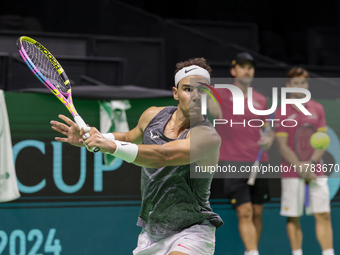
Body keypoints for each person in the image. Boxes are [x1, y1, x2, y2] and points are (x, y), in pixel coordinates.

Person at [50, 57, 224, 255]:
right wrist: (94, 139)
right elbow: (127, 136)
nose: (195, 96)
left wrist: (111, 146)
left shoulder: (207, 137)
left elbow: (163, 156)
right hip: (151, 233)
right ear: (175, 93)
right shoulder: (152, 115)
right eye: (187, 89)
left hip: (192, 230)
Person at [209, 52, 275, 255]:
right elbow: (213, 109)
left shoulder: (261, 99)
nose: (247, 70)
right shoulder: (222, 93)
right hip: (233, 160)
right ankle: (253, 252)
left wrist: (269, 138)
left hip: (259, 160)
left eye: (250, 67)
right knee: (244, 211)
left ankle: (251, 251)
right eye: (243, 66)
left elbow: (268, 128)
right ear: (233, 70)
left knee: (257, 212)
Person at [275, 67, 334, 255]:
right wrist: (299, 165)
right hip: (291, 172)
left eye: (304, 83)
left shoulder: (318, 108)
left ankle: (328, 252)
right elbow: (282, 146)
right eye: (296, 83)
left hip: (316, 170)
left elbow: (323, 142)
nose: (301, 86)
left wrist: (310, 162)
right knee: (294, 217)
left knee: (324, 214)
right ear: (288, 85)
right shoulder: (282, 111)